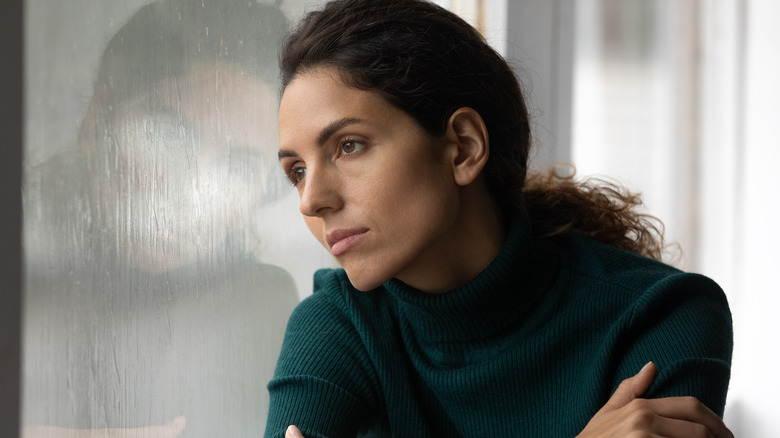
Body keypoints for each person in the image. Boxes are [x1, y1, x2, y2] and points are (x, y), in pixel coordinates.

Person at [266, 0, 734, 437]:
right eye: (297, 171)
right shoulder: (335, 327)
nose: (311, 200)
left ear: (464, 147)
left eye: (349, 146)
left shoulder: (661, 314)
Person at [22, 0, 299, 436]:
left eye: (238, 167)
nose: (191, 194)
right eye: (167, 135)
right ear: (101, 117)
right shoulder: (27, 265)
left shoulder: (260, 310)